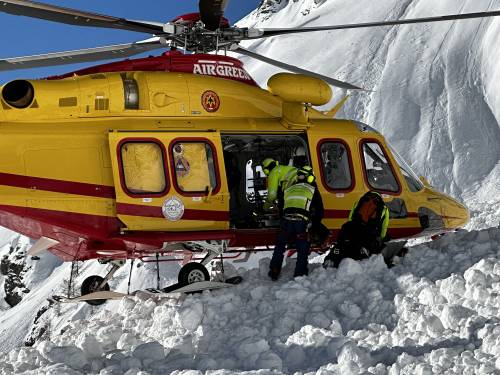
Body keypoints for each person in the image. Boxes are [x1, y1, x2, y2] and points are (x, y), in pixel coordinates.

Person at [268, 166, 319, 280]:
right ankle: (299, 274)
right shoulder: (312, 189)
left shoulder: (289, 188)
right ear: (310, 177)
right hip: (301, 222)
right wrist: (314, 225)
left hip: (286, 221)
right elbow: (319, 210)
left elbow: (281, 206)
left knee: (280, 246)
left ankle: (274, 270)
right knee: (302, 249)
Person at [323, 191, 389, 268]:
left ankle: (332, 257)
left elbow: (351, 217)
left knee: (343, 243)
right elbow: (384, 227)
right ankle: (362, 253)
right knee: (364, 243)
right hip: (369, 231)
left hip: (353, 226)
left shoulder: (359, 201)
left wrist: (350, 230)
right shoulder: (384, 208)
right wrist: (381, 238)